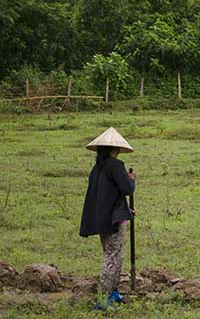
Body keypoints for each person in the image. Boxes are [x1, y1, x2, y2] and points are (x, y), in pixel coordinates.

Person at [79, 127, 136, 309]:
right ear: (115, 149)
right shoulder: (115, 166)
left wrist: (126, 210)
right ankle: (103, 299)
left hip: (102, 218)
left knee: (113, 255)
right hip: (113, 220)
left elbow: (108, 195)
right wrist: (132, 179)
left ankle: (113, 294)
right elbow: (126, 189)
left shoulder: (97, 169)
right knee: (112, 257)